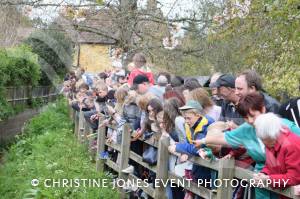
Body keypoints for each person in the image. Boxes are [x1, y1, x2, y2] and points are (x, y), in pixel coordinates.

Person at [192, 92, 300, 199]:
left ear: (262, 109)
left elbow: (294, 173)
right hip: (264, 180)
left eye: (252, 115)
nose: (250, 120)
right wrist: (203, 141)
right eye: (245, 117)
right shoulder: (246, 129)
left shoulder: (286, 129)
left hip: (289, 183)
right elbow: (224, 138)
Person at [252, 113, 300, 199]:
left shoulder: (292, 145)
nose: (262, 141)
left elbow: (294, 178)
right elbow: (270, 165)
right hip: (285, 194)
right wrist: (263, 173)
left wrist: (268, 179)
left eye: (263, 139)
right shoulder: (271, 143)